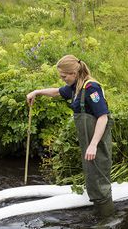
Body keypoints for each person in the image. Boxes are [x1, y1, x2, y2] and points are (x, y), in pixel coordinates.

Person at [26, 55, 114, 218]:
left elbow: (103, 117)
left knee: (99, 176)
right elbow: (56, 92)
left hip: (97, 141)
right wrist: (37, 92)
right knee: (91, 175)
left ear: (74, 72)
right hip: (88, 141)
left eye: (64, 76)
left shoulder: (91, 88)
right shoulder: (76, 86)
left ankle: (108, 219)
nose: (62, 79)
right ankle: (100, 213)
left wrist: (94, 144)